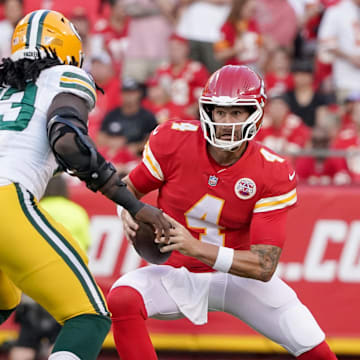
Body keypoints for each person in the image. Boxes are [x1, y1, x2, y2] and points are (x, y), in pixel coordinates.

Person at [107, 65, 338, 360]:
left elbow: (263, 266)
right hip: (178, 272)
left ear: (255, 114)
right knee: (122, 297)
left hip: (240, 279)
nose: (227, 122)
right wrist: (125, 210)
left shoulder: (272, 171)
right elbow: (129, 188)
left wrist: (195, 246)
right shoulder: (173, 141)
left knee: (315, 349)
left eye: (237, 113)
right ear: (208, 112)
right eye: (220, 112)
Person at [0, 9, 170, 360]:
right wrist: (132, 203)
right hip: (7, 201)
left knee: (5, 299)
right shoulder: (64, 76)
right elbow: (66, 140)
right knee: (89, 316)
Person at [9, 175, 91, 360]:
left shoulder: (34, 209)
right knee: (60, 338)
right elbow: (84, 248)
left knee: (26, 339)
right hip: (68, 282)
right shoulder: (77, 212)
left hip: (34, 279)